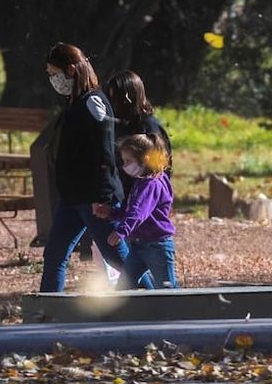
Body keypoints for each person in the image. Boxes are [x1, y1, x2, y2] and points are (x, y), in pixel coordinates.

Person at [39, 43, 131, 292]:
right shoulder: (75, 102)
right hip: (72, 197)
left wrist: (103, 199)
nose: (53, 80)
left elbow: (104, 153)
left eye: (54, 74)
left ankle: (156, 300)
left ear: (70, 70)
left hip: (94, 197)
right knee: (55, 255)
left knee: (117, 257)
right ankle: (47, 313)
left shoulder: (92, 102)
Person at [96, 133, 177, 289]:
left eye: (128, 161)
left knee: (167, 291)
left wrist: (121, 231)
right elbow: (133, 211)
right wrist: (112, 213)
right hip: (139, 245)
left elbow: (138, 213)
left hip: (156, 246)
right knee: (124, 286)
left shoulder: (150, 185)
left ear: (144, 159)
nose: (125, 165)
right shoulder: (143, 182)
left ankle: (180, 313)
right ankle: (127, 313)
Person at [103, 70, 171, 194]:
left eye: (116, 99)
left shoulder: (148, 125)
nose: (113, 105)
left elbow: (158, 168)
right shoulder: (119, 123)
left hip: (142, 194)